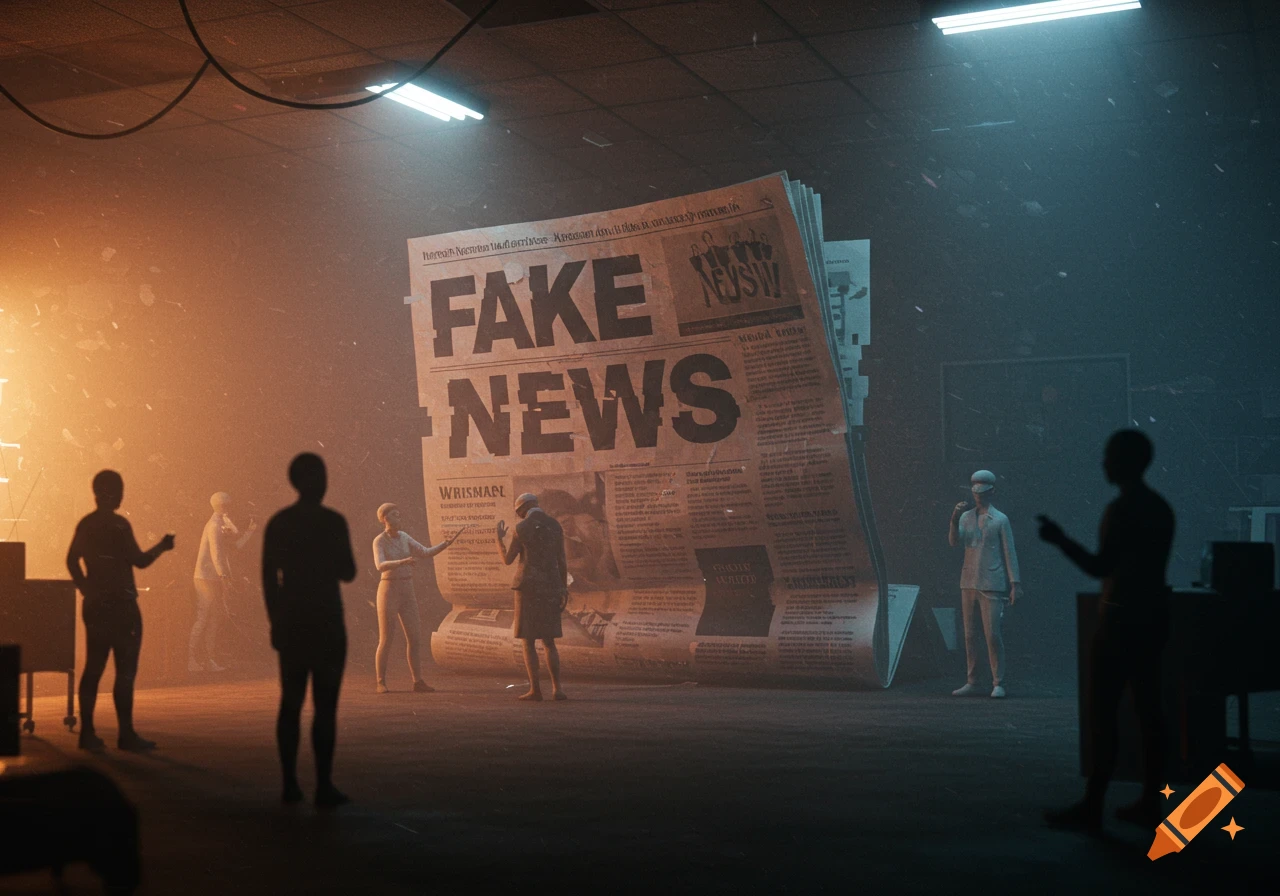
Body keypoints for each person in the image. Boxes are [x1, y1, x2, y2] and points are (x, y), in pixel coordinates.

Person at [1039, 429, 1175, 831]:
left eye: (1109, 456)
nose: (1103, 463)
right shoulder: (1159, 508)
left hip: (1118, 623)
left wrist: (1059, 539)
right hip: (1151, 619)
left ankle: (1093, 804)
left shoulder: (1121, 510)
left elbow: (1100, 567)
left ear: (1123, 462)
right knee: (1150, 713)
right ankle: (1152, 799)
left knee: (1104, 714)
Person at [261, 454, 357, 807]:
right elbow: (348, 572)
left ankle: (289, 783)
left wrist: (275, 622)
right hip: (328, 621)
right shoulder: (333, 522)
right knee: (325, 706)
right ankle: (323, 784)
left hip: (293, 622)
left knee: (290, 702)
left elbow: (269, 579)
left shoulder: (279, 523)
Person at [66, 470, 176, 752]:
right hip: (123, 606)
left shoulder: (87, 524)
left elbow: (71, 559)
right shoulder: (118, 525)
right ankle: (125, 734)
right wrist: (162, 547)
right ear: (113, 493)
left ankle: (87, 732)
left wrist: (85, 588)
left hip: (96, 605)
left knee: (93, 667)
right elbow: (139, 561)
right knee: (125, 672)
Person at [372, 503, 463, 694]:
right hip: (388, 589)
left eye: (399, 514)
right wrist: (403, 561)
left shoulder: (404, 536)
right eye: (394, 515)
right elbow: (380, 565)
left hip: (407, 589)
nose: (399, 518)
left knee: (414, 637)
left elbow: (424, 552)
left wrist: (445, 544)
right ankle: (380, 681)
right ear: (385, 518)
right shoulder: (379, 541)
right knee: (386, 638)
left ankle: (417, 681)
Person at [948, 470, 1020, 698]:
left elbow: (1010, 552)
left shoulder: (1000, 519)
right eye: (976, 491)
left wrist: (1015, 583)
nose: (978, 495)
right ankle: (972, 680)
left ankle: (998, 681)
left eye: (983, 491)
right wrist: (953, 518)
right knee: (969, 635)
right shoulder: (966, 517)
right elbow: (954, 541)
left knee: (992, 635)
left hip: (992, 581)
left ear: (992, 492)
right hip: (968, 581)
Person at [496, 492, 569, 702]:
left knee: (528, 641)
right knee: (549, 641)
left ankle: (535, 689)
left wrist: (498, 540)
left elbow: (508, 560)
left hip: (526, 587)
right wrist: (563, 588)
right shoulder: (555, 525)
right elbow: (562, 561)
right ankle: (557, 689)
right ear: (536, 504)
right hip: (550, 586)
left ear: (521, 510)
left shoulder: (521, 528)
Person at [190, 492, 257, 672]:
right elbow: (217, 554)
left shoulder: (220, 523)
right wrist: (225, 577)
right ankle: (192, 660)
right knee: (204, 617)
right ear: (224, 506)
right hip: (205, 578)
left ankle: (208, 660)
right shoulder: (214, 525)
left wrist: (249, 532)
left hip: (212, 577)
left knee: (213, 618)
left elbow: (232, 547)